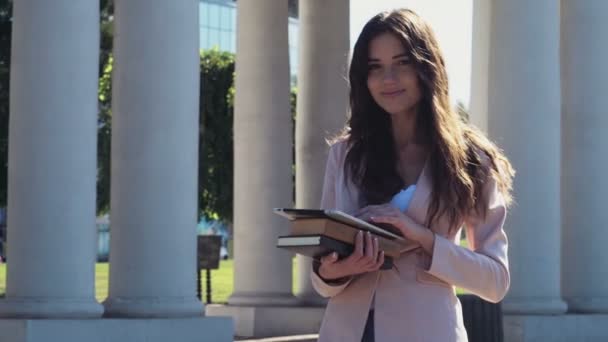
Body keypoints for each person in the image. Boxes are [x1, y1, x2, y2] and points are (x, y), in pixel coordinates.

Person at [311, 8, 515, 342]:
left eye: (402, 63)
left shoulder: (471, 160)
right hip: (346, 332)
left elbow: (495, 282)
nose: (387, 79)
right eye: (375, 67)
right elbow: (321, 278)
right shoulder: (345, 154)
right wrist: (339, 269)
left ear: (427, 67)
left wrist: (422, 237)